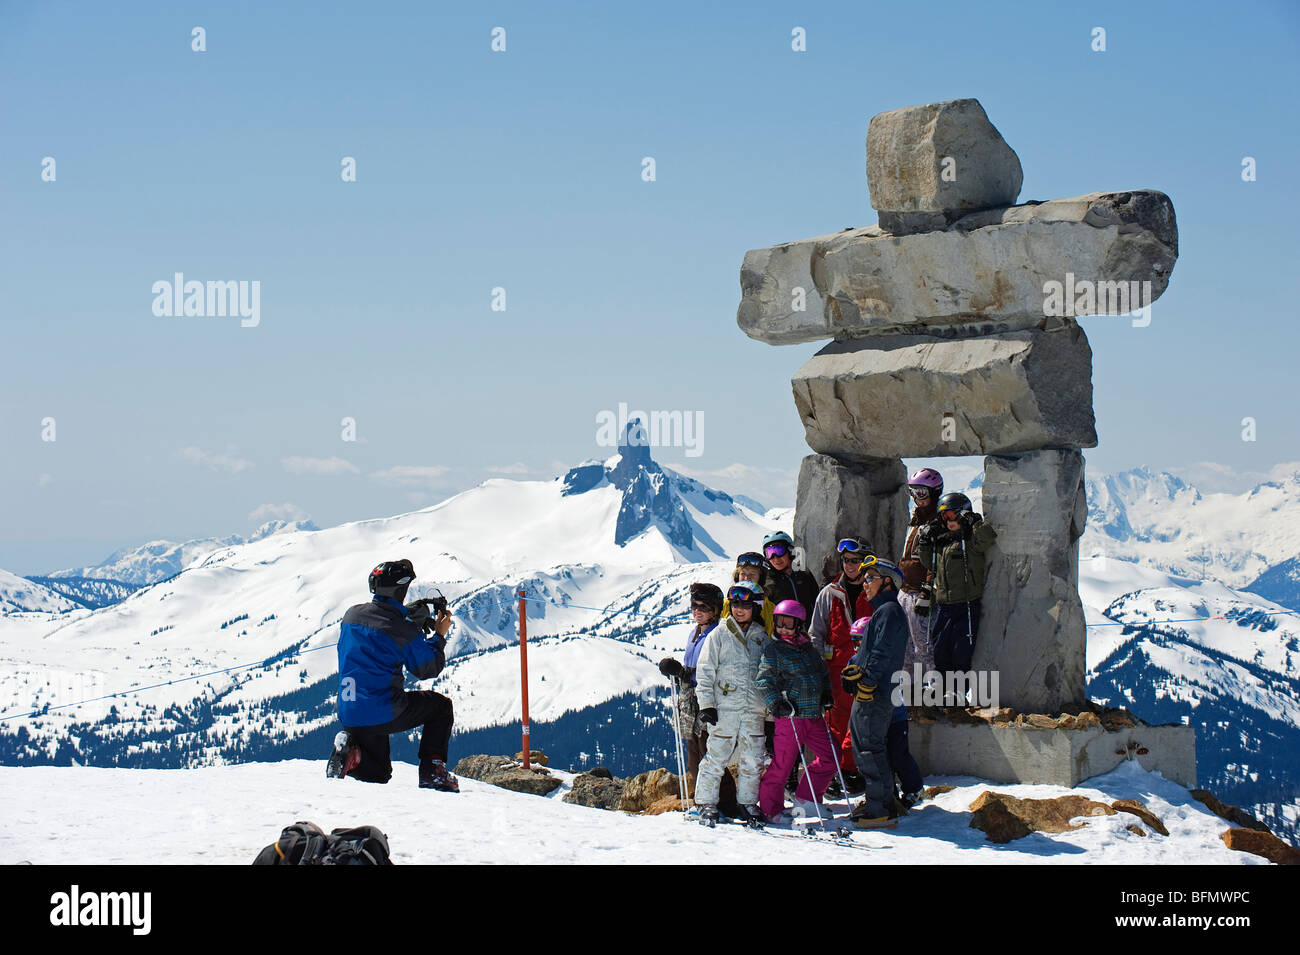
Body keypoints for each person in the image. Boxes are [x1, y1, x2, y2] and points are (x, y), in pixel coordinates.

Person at [326, 559, 459, 791]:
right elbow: (427, 668)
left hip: (350, 712)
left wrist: (406, 617)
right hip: (382, 709)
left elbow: (381, 623)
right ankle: (432, 772)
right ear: (401, 589)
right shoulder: (403, 629)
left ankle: (351, 753)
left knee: (378, 775)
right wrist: (438, 635)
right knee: (441, 707)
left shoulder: (351, 616)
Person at [839, 556, 910, 828]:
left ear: (887, 582)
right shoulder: (883, 612)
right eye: (864, 578)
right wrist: (852, 670)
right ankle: (885, 801)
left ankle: (879, 809)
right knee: (868, 746)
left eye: (870, 578)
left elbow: (882, 653)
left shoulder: (889, 611)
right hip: (873, 691)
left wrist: (867, 681)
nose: (864, 583)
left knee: (868, 748)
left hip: (875, 693)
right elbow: (869, 652)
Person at [694, 580, 770, 828]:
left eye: (745, 605)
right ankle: (706, 802)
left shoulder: (762, 638)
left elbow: (768, 676)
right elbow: (705, 671)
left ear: (756, 607)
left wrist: (768, 716)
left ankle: (747, 803)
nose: (738, 609)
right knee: (716, 756)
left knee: (753, 758)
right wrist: (706, 705)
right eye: (735, 604)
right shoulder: (719, 634)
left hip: (754, 709)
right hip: (724, 707)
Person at [755, 600, 836, 822]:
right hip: (790, 717)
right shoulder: (774, 650)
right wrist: (775, 703)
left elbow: (822, 674)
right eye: (779, 623)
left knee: (831, 756)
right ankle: (770, 809)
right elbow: (763, 680)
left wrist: (826, 694)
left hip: (814, 716)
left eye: (788, 624)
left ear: (799, 625)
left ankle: (807, 799)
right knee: (783, 764)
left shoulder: (808, 649)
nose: (782, 628)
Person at [808, 536, 875, 793]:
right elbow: (816, 633)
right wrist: (818, 672)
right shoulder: (830, 593)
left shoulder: (875, 591)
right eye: (846, 560)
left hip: (868, 668)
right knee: (837, 723)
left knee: (864, 721)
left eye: (855, 560)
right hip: (836, 670)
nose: (849, 565)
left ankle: (853, 770)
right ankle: (838, 772)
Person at [917, 492, 997, 701]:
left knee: (962, 649)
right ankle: (940, 689)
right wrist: (925, 540)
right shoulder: (942, 542)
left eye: (953, 515)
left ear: (963, 514)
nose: (949, 521)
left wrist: (975, 522)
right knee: (940, 647)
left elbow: (986, 539)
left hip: (967, 603)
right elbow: (927, 562)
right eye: (944, 517)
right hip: (943, 604)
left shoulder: (970, 540)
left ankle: (959, 691)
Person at [850, 614, 924, 813]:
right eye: (854, 642)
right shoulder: (854, 660)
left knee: (898, 754)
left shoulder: (886, 659)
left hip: (895, 718)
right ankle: (887, 793)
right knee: (879, 757)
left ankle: (914, 787)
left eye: (861, 641)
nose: (858, 647)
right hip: (872, 720)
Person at [658, 582, 725, 787]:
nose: (697, 611)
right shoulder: (695, 632)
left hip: (706, 699)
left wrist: (688, 676)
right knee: (693, 750)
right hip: (690, 698)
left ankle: (721, 797)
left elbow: (712, 670)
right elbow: (692, 666)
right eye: (694, 606)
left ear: (714, 610)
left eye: (703, 607)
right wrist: (680, 673)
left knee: (707, 749)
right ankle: (700, 795)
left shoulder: (717, 635)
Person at [897, 468, 943, 679]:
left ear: (935, 492)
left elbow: (937, 560)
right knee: (905, 648)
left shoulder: (937, 523)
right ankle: (910, 699)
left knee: (925, 647)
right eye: (913, 492)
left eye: (922, 492)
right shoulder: (916, 520)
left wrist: (927, 591)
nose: (917, 498)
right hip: (905, 591)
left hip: (920, 595)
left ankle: (933, 693)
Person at [760, 531, 820, 620]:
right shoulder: (767, 582)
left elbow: (818, 601)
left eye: (779, 550)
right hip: (783, 631)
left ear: (790, 551)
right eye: (770, 553)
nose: (775, 558)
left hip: (809, 630)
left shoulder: (803, 574)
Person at [720, 551, 775, 633]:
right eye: (742, 574)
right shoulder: (727, 604)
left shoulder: (769, 608)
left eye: (752, 574)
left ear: (761, 579)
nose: (746, 578)